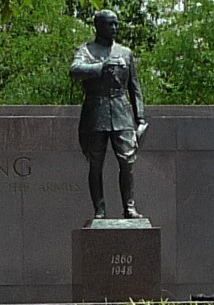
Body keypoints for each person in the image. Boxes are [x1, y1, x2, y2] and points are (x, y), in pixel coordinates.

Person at [70, 10, 147, 219]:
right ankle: (100, 208)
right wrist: (100, 67)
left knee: (127, 161)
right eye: (109, 25)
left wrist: (140, 119)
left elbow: (135, 88)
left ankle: (129, 207)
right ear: (99, 26)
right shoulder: (87, 50)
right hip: (96, 110)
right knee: (96, 162)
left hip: (122, 111)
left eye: (116, 25)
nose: (114, 29)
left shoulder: (125, 52)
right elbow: (75, 70)